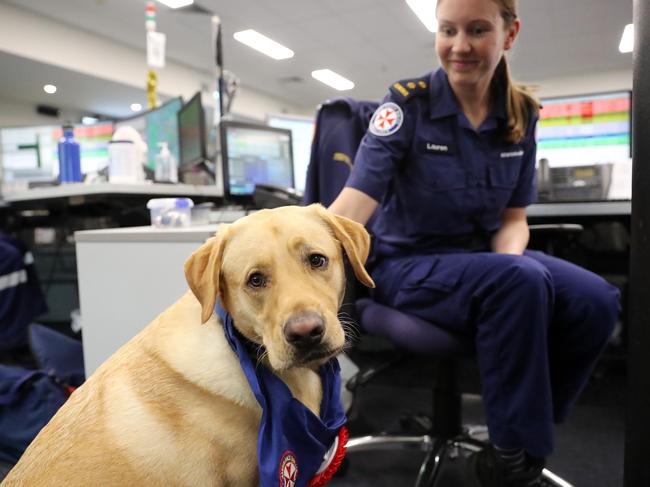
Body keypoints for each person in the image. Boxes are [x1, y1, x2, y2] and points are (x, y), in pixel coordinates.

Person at [328, 0, 620, 486]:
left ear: (510, 34)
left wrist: (507, 268)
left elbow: (513, 219)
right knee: (520, 279)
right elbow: (354, 204)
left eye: (478, 30)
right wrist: (296, 248)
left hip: (481, 262)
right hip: (406, 266)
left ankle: (533, 422)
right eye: (448, 30)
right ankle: (511, 459)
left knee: (597, 300)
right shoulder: (407, 104)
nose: (459, 46)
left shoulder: (520, 113)